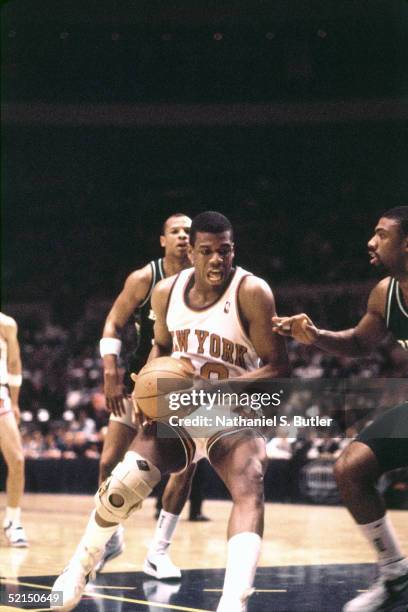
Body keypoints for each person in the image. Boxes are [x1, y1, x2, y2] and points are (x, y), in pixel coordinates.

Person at [52, 211, 289, 612]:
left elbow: (278, 365)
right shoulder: (165, 291)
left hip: (229, 412)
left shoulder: (252, 291)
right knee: (123, 481)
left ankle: (233, 602)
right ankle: (78, 568)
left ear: (234, 251)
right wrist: (150, 386)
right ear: (191, 253)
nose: (217, 259)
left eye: (225, 251)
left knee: (250, 482)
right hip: (179, 409)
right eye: (207, 251)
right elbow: (161, 347)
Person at [272, 206, 408, 612]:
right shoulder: (385, 293)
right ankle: (396, 575)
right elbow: (357, 343)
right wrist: (313, 336)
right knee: (350, 468)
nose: (371, 241)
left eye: (381, 234)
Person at [97, 212, 201, 578]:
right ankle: (110, 535)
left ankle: (158, 551)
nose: (183, 237)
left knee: (184, 467)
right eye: (175, 231)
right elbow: (113, 321)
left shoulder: (205, 279)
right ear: (163, 240)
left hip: (182, 384)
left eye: (189, 231)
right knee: (108, 462)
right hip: (136, 378)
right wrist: (110, 370)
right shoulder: (144, 277)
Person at [0, 312, 28, 547]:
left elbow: (14, 364)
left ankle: (13, 521)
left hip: (0, 397)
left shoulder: (7, 324)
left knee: (17, 460)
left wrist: (16, 402)